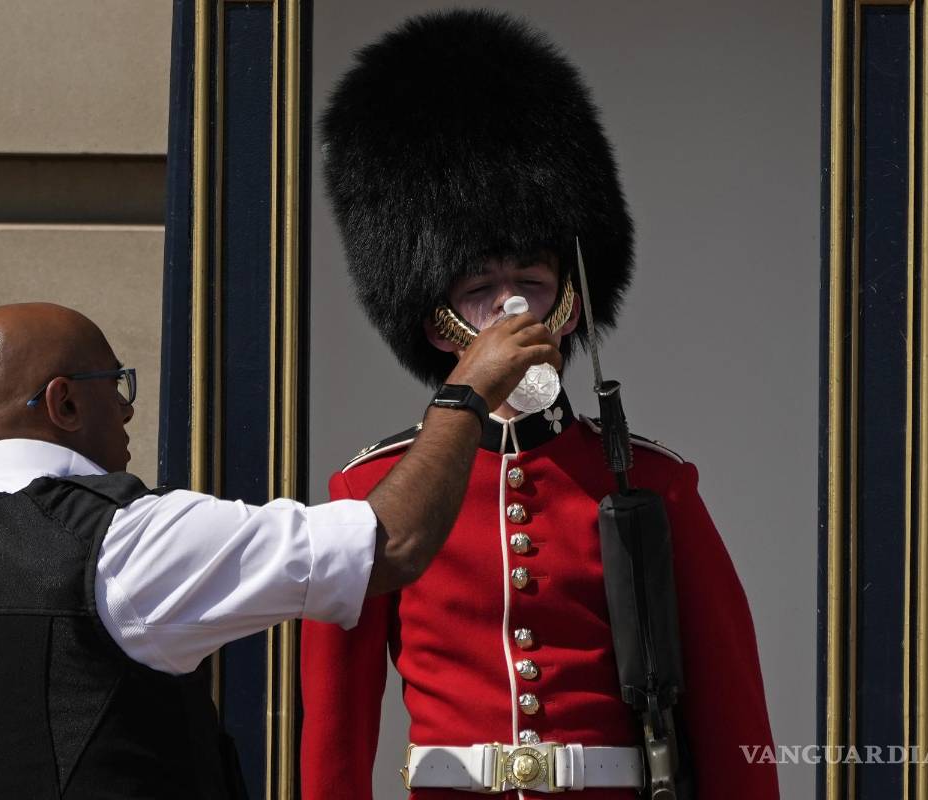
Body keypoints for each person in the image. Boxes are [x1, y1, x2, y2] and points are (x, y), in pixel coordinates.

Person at [300, 9, 779, 799]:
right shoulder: (369, 494)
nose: (513, 307)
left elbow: (733, 721)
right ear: (439, 323)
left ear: (570, 303)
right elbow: (335, 741)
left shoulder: (655, 484)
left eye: (532, 280)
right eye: (482, 289)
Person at [0, 301, 560, 800]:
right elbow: (390, 543)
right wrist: (465, 393)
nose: (127, 408)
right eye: (115, 384)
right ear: (65, 401)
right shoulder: (134, 541)